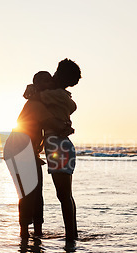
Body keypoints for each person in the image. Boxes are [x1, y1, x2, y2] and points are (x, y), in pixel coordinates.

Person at [14, 80, 72, 239]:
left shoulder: (37, 102)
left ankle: (36, 231)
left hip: (26, 150)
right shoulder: (37, 105)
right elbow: (55, 123)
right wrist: (66, 127)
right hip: (21, 150)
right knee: (29, 193)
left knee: (35, 191)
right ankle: (25, 233)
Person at [43, 59, 81, 242]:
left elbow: (34, 96)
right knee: (66, 195)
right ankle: (72, 233)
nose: (54, 74)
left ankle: (71, 236)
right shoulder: (63, 96)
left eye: (56, 72)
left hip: (58, 146)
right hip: (62, 145)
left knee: (64, 196)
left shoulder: (56, 95)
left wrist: (35, 86)